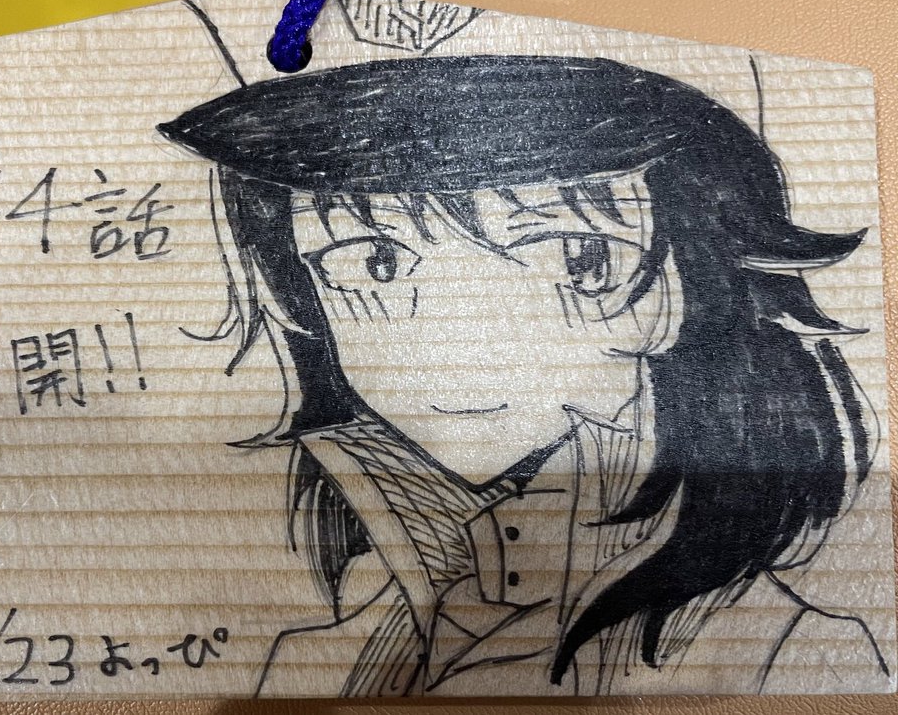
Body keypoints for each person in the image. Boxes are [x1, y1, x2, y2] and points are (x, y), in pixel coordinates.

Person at [158, 55, 890, 695]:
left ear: (685, 293)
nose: (455, 344)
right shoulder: (315, 658)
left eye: (579, 256)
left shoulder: (785, 656)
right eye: (374, 262)